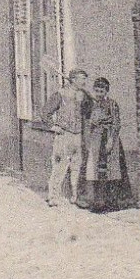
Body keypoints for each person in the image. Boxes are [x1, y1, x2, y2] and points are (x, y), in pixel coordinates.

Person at [40, 68, 92, 208]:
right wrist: (53, 126)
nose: (84, 81)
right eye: (82, 79)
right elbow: (45, 113)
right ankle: (53, 196)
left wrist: (88, 98)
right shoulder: (60, 94)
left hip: (78, 135)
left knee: (77, 166)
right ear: (74, 79)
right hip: (64, 135)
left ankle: (75, 196)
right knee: (60, 165)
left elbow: (89, 112)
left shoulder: (82, 95)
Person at [80, 76, 132, 212]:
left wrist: (111, 141)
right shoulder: (92, 104)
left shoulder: (112, 104)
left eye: (101, 91)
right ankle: (98, 202)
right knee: (96, 171)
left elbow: (116, 123)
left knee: (112, 170)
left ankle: (112, 202)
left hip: (109, 138)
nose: (99, 94)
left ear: (106, 91)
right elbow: (87, 122)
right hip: (96, 139)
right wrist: (91, 124)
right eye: (96, 91)